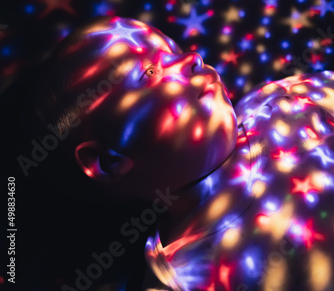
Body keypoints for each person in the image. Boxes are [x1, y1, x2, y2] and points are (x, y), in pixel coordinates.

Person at [29, 16, 334, 291]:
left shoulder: (276, 102)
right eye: (150, 73)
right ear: (107, 162)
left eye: (174, 50)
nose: (192, 58)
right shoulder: (186, 273)